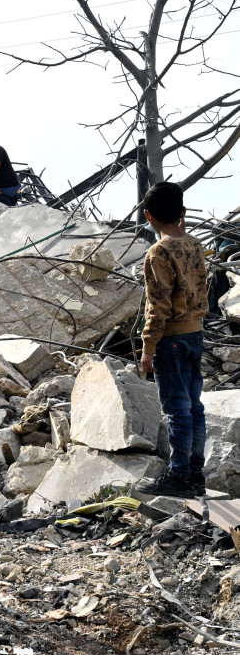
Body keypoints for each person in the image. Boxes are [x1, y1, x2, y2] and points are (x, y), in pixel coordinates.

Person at [135, 182, 209, 499]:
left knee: (177, 409)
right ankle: (195, 474)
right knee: (194, 407)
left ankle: (179, 475)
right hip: (195, 334)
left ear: (148, 216)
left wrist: (148, 350)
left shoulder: (158, 253)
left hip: (173, 339)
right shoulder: (194, 245)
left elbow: (159, 307)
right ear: (182, 213)